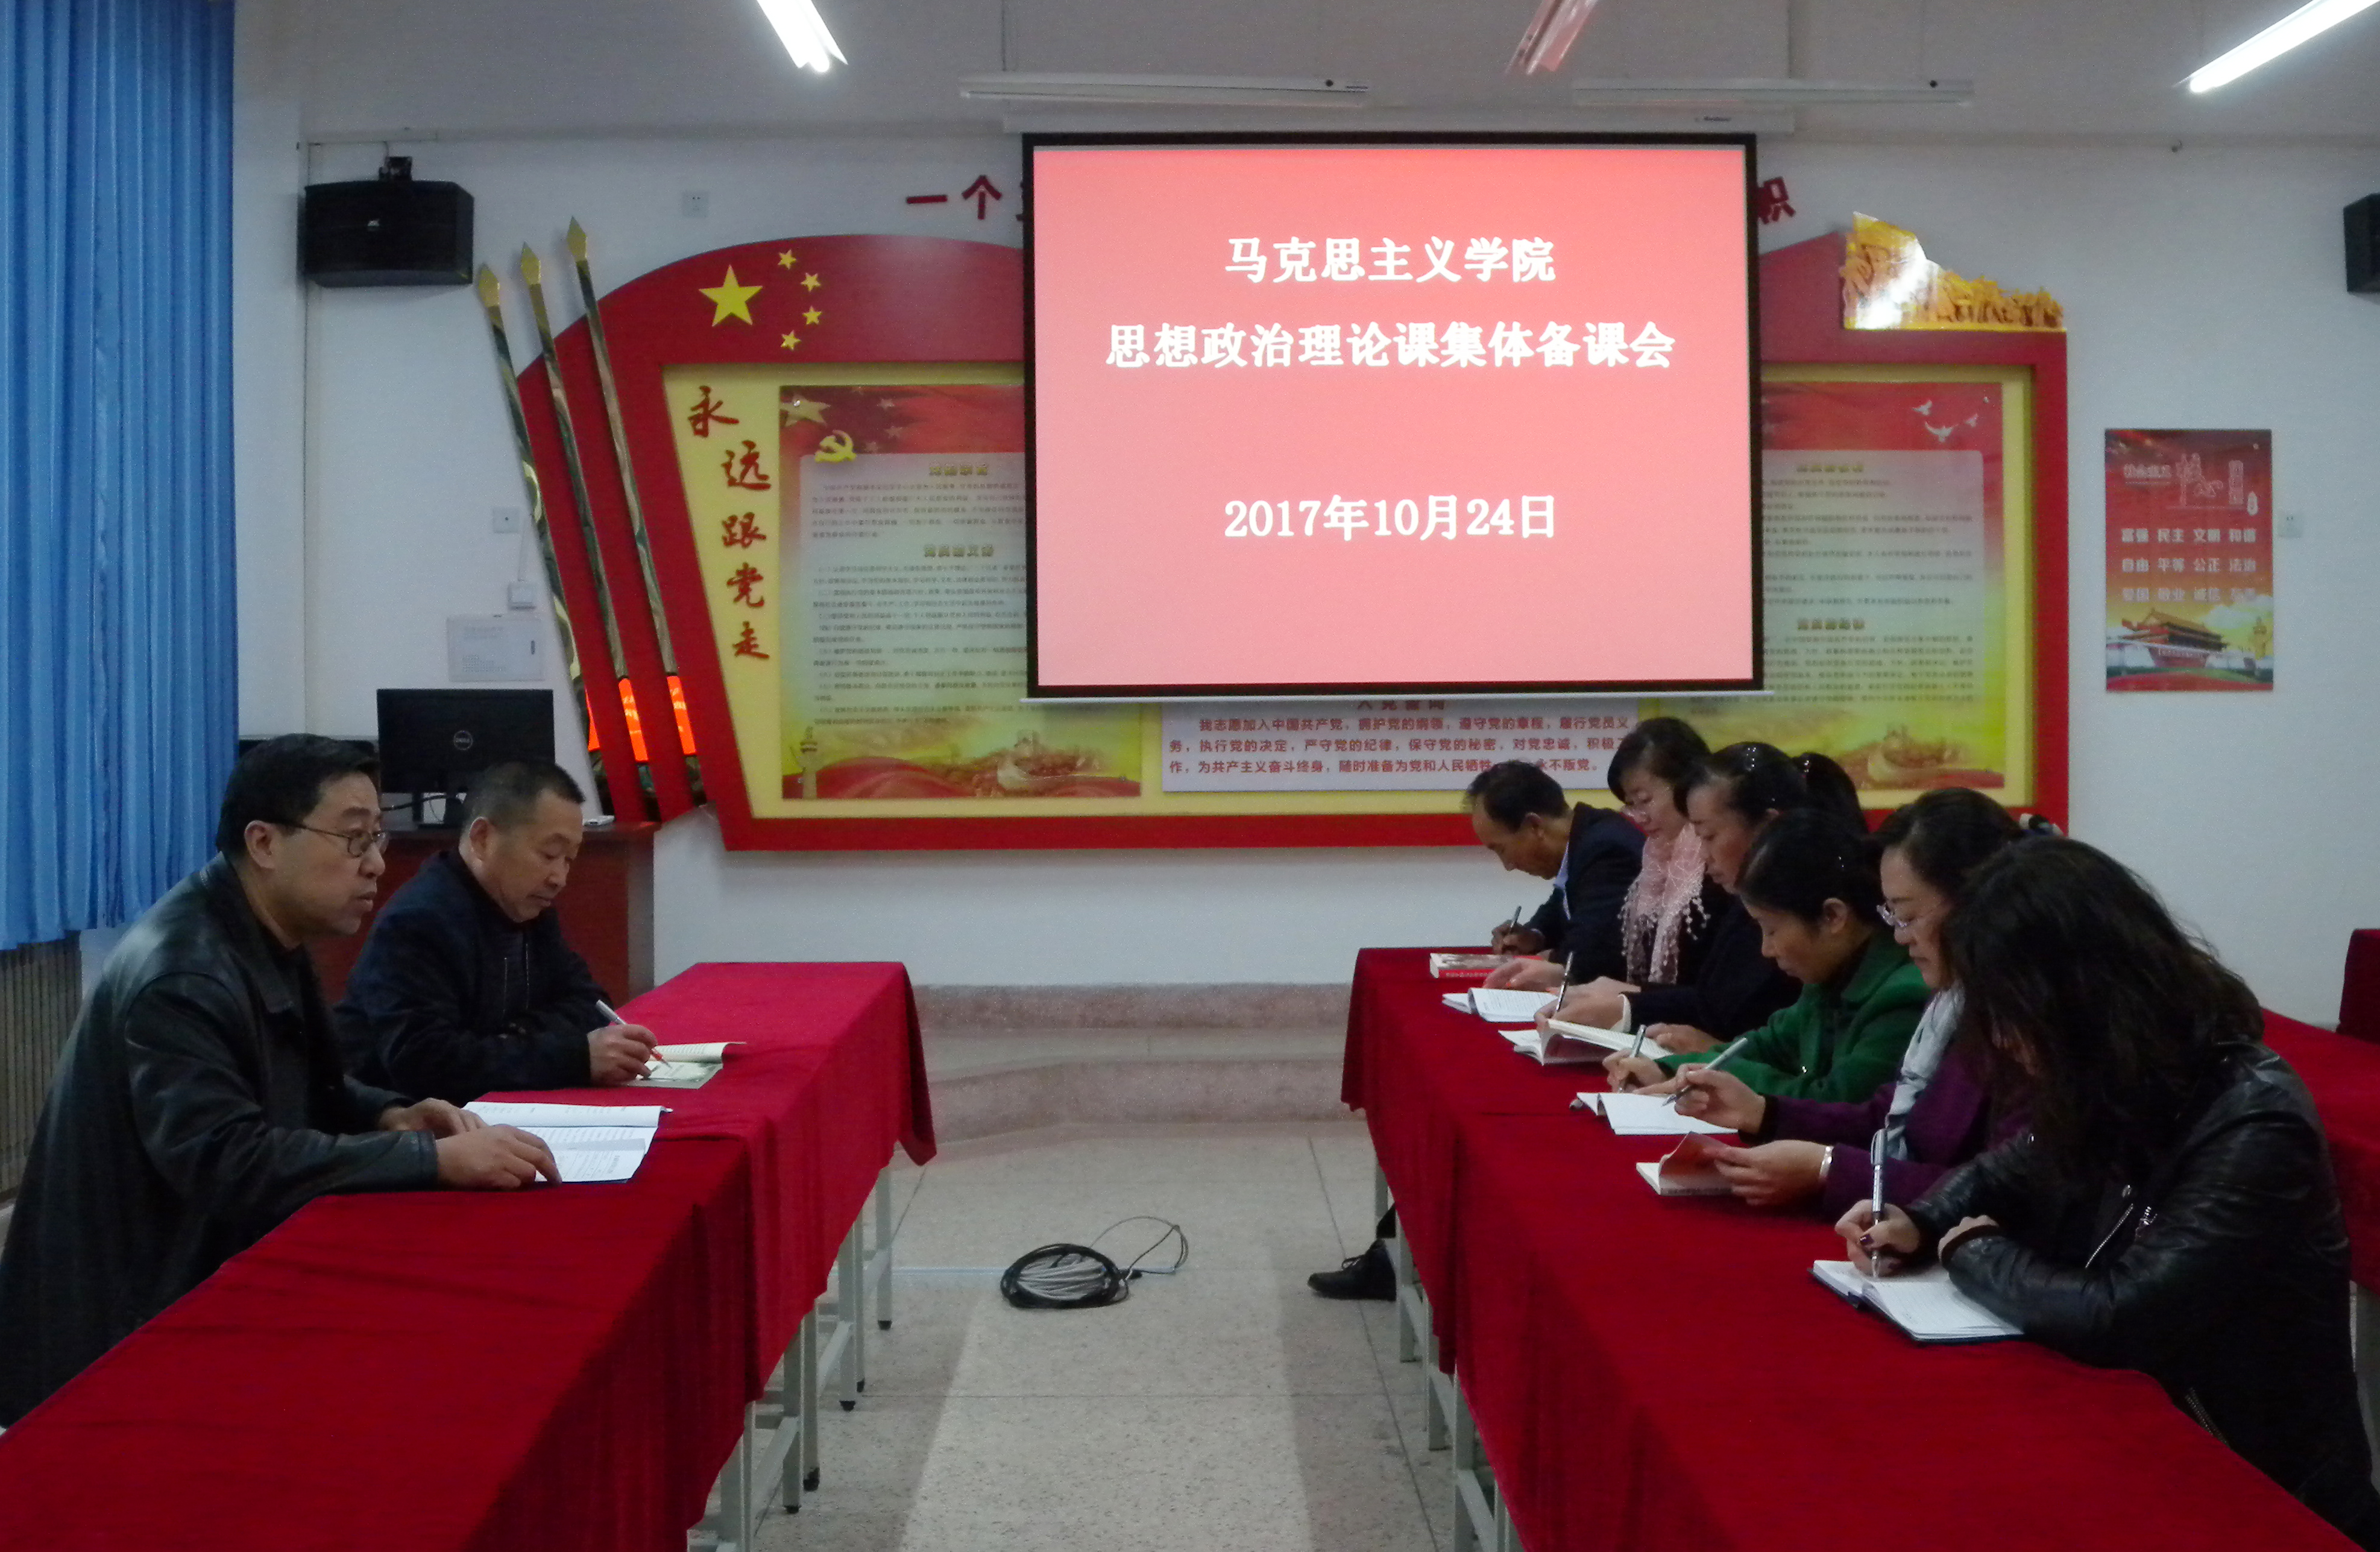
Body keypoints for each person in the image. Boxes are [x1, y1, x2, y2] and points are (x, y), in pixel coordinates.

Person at [0, 737, 561, 1425]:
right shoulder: (184, 976)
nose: (376, 864)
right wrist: (429, 1159)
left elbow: (304, 1086)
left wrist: (389, 1115)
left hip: (195, 1272)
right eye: (353, 840)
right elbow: (227, 1159)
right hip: (123, 1331)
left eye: (377, 838)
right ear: (264, 843)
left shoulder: (266, 932)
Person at [1840, 839, 2380, 1548]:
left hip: (2261, 1490)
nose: (2001, 1041)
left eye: (2012, 1015)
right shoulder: (2116, 1074)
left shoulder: (2253, 1119)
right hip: (2146, 1451)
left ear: (2081, 993)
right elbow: (2011, 1169)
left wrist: (1972, 1250)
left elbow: (2120, 1316)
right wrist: (1919, 1219)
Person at [1673, 789, 2031, 1211]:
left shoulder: (2023, 1023)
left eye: (1909, 916)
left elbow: (2009, 1193)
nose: (1900, 936)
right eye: (1893, 915)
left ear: (1977, 905)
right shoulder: (1953, 1005)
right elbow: (1886, 1114)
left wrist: (1828, 1169)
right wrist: (1762, 1112)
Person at [338, 760, 657, 1104]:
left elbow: (589, 1003)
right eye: (549, 854)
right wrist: (571, 1057)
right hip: (398, 1121)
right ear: (483, 838)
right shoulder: (418, 922)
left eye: (569, 860)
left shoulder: (528, 909)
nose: (559, 878)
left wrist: (509, 1038)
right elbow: (426, 1063)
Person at [1601, 806, 1927, 1104]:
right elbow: (1766, 1046)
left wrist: (1712, 1079)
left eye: (1771, 929)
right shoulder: (1831, 977)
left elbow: (1834, 1102)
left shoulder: (1901, 996)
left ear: (1832, 916)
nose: (1765, 950)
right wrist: (1667, 1069)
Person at [1542, 742, 1820, 1046]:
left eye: (1709, 836)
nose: (1703, 854)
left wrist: (1630, 1006)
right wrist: (1628, 997)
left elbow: (1746, 1017)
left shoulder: (1797, 901)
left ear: (1767, 826)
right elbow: (1713, 998)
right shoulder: (1729, 889)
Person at [1470, 760, 1643, 991]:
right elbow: (1562, 904)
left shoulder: (1607, 850)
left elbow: (1587, 957)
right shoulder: (1582, 842)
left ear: (1534, 826)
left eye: (1501, 849)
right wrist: (1534, 936)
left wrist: (1548, 956)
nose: (1508, 865)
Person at [1608, 718, 1725, 989]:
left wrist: (1631, 1000)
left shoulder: (1720, 862)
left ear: (1687, 784)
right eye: (1631, 804)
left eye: (1645, 800)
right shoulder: (1656, 858)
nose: (1640, 817)